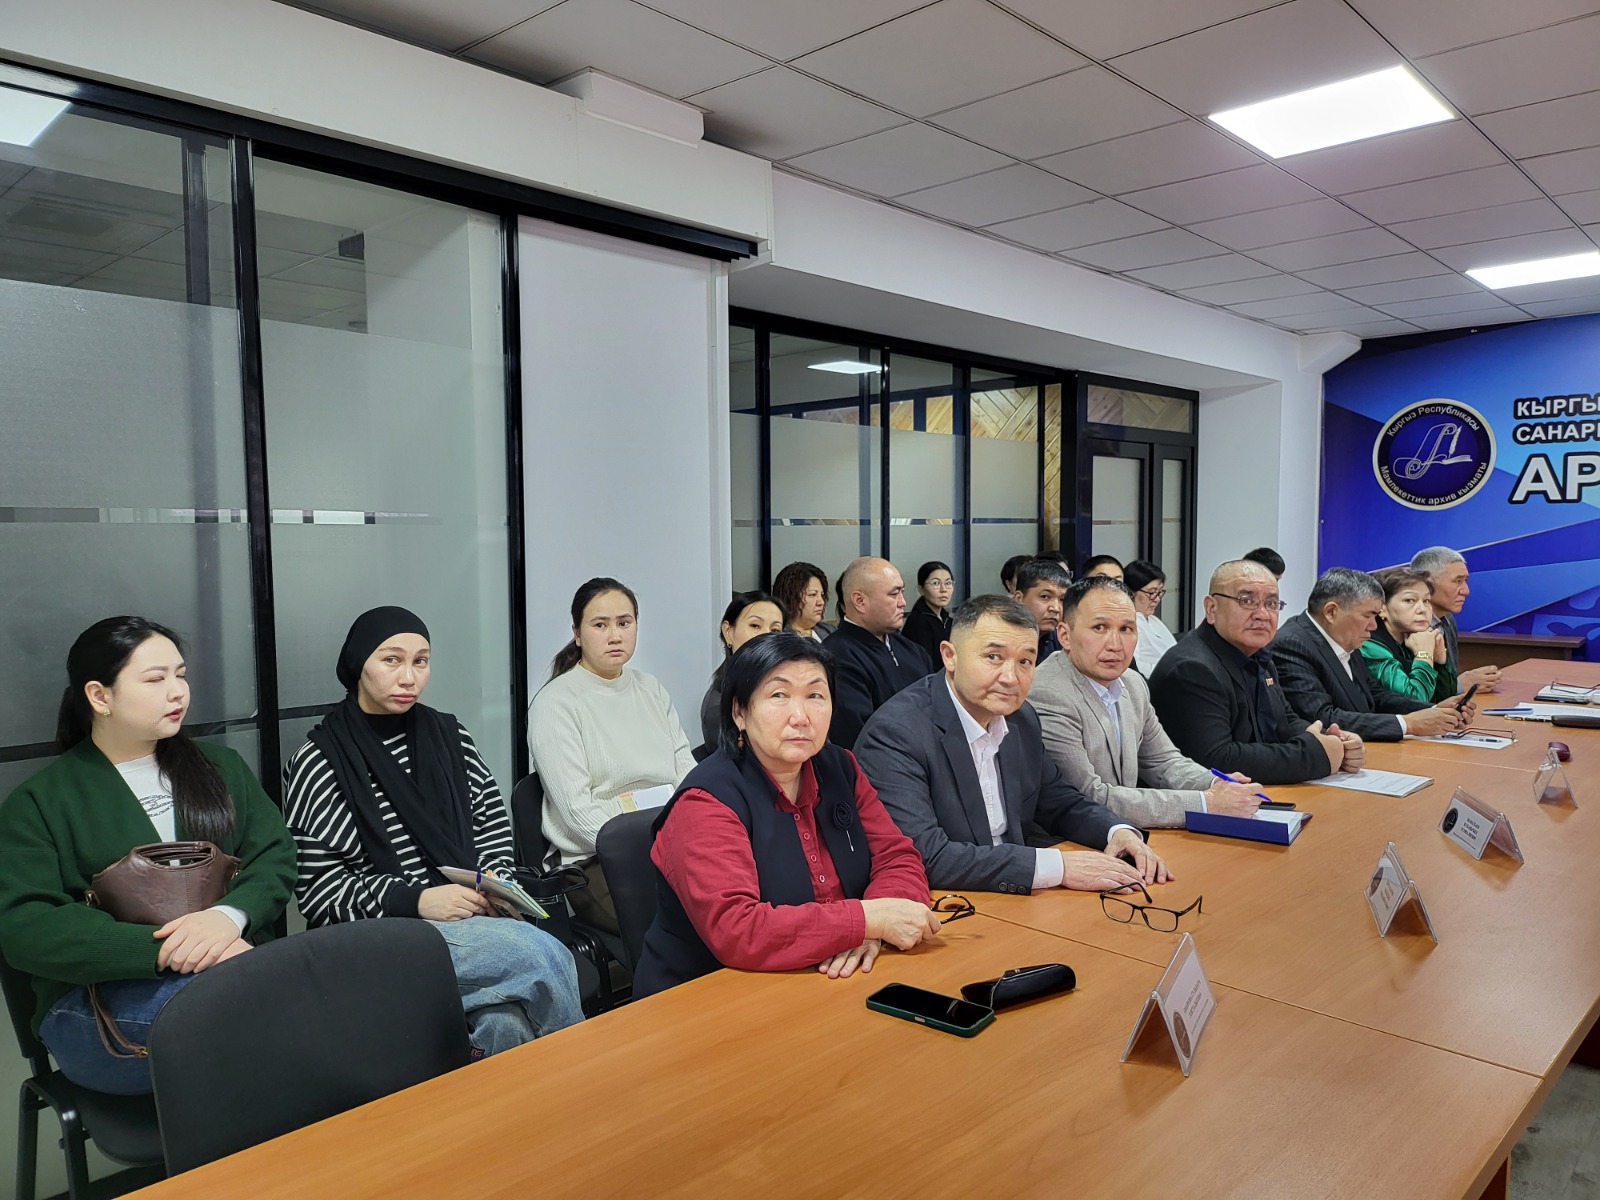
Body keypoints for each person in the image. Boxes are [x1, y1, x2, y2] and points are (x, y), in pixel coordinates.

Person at [0, 617, 296, 1094]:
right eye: (156, 679)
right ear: (100, 696)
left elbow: (274, 856)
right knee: (264, 1024)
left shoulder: (222, 768)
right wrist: (173, 949)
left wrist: (227, 917)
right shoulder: (39, 802)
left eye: (181, 675)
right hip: (97, 1003)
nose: (178, 691)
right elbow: (27, 927)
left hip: (233, 977)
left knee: (305, 1001)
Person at [284, 607, 582, 1056]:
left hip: (474, 918)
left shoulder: (449, 735)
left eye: (420, 661)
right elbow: (320, 893)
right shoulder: (320, 760)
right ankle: (588, 1078)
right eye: (391, 660)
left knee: (505, 1024)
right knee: (541, 956)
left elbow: (491, 825)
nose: (409, 677)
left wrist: (493, 885)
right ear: (359, 664)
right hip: (385, 933)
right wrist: (418, 900)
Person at [634, 634, 940, 998]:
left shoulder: (841, 768)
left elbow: (897, 857)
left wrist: (874, 928)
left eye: (815, 696)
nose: (801, 717)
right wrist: (867, 920)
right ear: (739, 712)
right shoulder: (706, 801)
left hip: (829, 979)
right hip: (710, 995)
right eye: (779, 695)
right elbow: (738, 929)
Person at [855, 595, 1168, 895]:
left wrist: (1117, 831)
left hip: (1016, 897)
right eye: (994, 657)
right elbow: (926, 855)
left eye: (1025, 661)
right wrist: (1057, 867)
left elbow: (1059, 801)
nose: (1010, 677)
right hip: (949, 904)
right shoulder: (896, 733)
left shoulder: (1021, 718)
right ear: (950, 656)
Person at [530, 578, 696, 931]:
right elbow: (578, 811)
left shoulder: (651, 689)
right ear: (577, 634)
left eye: (624, 623)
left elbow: (687, 777)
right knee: (677, 927)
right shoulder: (555, 703)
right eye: (600, 625)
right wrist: (651, 845)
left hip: (670, 843)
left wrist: (689, 834)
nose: (615, 635)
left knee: (732, 903)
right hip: (597, 860)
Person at [1032, 578, 1263, 828]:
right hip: (1069, 839)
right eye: (1099, 628)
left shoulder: (1133, 683)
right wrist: (1206, 803)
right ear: (1065, 636)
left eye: (1126, 629)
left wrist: (1216, 784)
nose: (1115, 644)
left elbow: (1163, 761)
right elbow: (1089, 797)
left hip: (1125, 831)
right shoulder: (1049, 694)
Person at [1149, 560, 1356, 784]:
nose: (1263, 614)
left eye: (1272, 603)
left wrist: (1330, 738)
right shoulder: (1192, 669)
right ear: (1211, 608)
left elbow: (1284, 721)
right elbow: (1217, 760)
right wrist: (1316, 755)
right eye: (1246, 601)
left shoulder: (1259, 655)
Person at [1271, 569, 1474, 741]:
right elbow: (1322, 718)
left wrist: (1433, 710)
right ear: (1331, 612)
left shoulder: (1345, 636)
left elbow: (1374, 695)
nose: (1374, 626)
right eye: (1368, 616)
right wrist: (1408, 724)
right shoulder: (1292, 645)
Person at [823, 557, 934, 750]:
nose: (903, 602)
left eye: (902, 592)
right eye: (894, 594)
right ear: (860, 601)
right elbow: (859, 738)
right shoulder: (835, 656)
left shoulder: (913, 651)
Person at [1360, 566, 1459, 704]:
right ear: (1382, 608)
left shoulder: (1415, 637)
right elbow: (1415, 701)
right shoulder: (1369, 645)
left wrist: (1439, 659)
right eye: (1409, 600)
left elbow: (1445, 699)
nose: (1422, 609)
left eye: (1426, 601)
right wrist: (1424, 655)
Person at [699, 590, 785, 748]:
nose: (766, 635)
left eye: (775, 630)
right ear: (728, 632)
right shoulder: (719, 708)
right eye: (755, 626)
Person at [1410, 546, 1501, 692]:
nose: (1466, 591)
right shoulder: (1406, 626)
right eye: (1457, 581)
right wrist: (1459, 685)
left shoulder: (1448, 620)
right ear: (1426, 583)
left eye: (1465, 580)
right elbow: (1406, 694)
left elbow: (1447, 676)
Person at [1124, 559, 1177, 675]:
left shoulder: (1153, 620)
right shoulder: (1130, 624)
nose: (1157, 599)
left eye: (1159, 592)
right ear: (1131, 592)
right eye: (1151, 593)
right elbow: (1134, 666)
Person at [1012, 557, 1072, 660]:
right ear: (1019, 599)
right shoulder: (998, 636)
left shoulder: (1062, 640)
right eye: (1045, 597)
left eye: (1062, 599)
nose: (1055, 608)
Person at [902, 560, 955, 665]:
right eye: (936, 583)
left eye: (948, 583)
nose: (943, 589)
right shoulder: (917, 623)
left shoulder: (947, 619)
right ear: (921, 589)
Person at [772, 561, 833, 644]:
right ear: (790, 597)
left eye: (822, 595)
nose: (821, 602)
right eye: (812, 594)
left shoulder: (830, 631)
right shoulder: (778, 638)